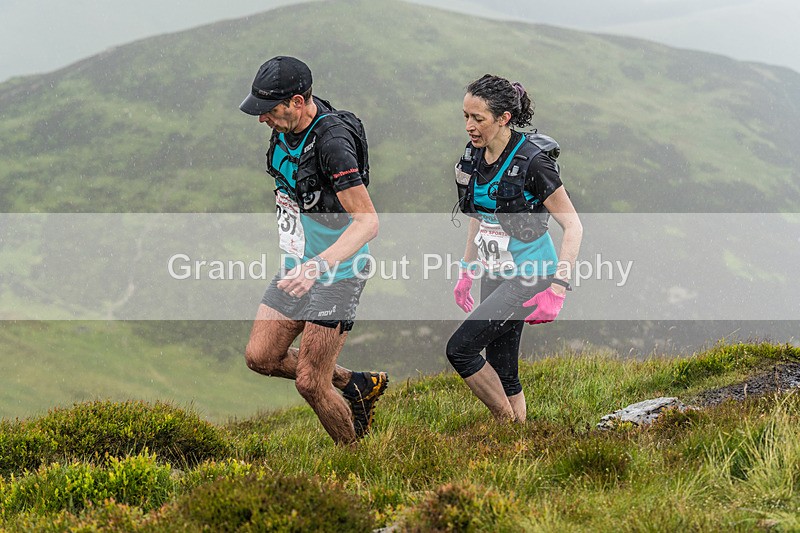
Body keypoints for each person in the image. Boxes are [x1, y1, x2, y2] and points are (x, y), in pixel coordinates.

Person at [239, 56, 388, 444]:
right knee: (260, 357)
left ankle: (354, 459)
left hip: (337, 272)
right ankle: (355, 383)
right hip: (297, 265)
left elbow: (368, 222)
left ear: (299, 101)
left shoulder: (333, 144)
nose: (262, 119)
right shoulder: (285, 127)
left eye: (269, 110)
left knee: (309, 382)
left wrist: (317, 267)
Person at [447, 74, 583, 422]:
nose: (469, 126)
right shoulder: (475, 155)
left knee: (460, 350)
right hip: (495, 272)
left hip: (530, 275)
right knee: (503, 368)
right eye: (465, 116)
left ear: (504, 118)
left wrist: (558, 287)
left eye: (478, 119)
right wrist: (468, 268)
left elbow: (573, 226)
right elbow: (480, 213)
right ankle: (519, 439)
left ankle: (505, 424)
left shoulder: (533, 163)